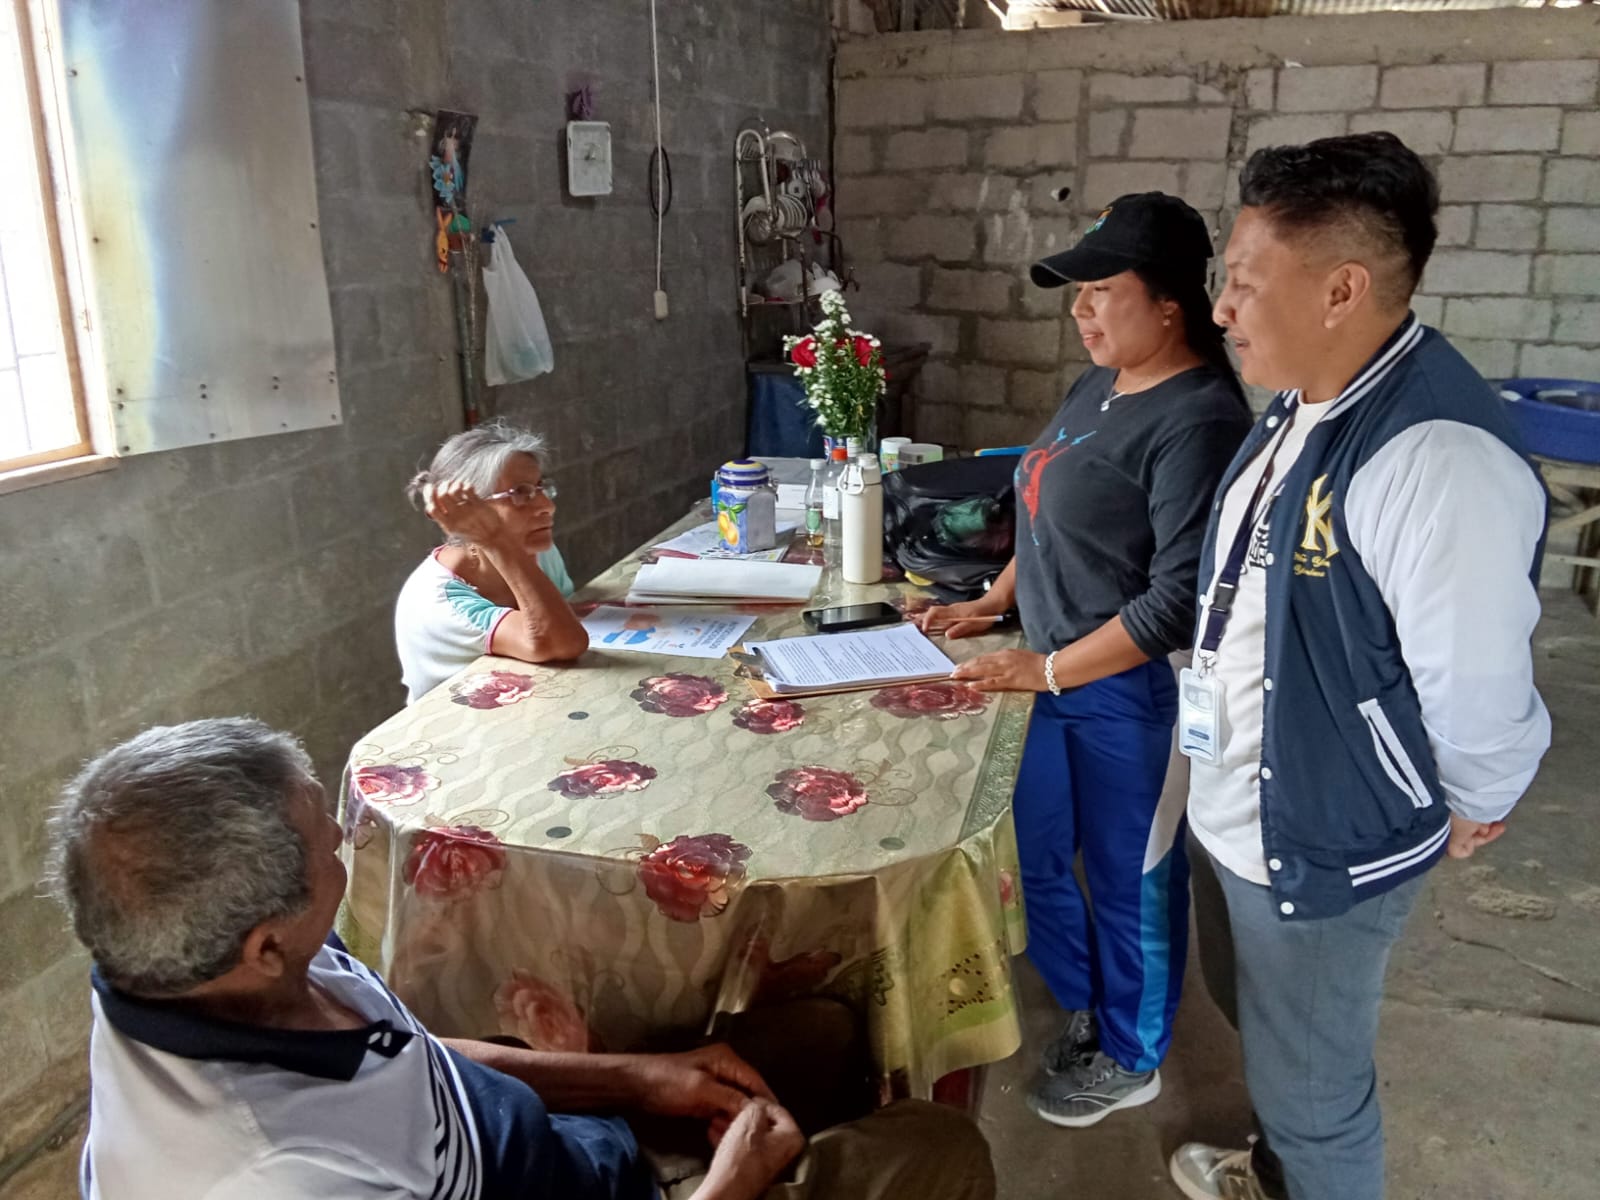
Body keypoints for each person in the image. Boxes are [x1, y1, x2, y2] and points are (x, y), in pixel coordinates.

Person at [47, 718, 997, 1200]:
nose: (345, 839)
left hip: (562, 1153)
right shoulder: (274, 1174)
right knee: (940, 1149)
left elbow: (410, 1061)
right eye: (328, 843)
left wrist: (641, 1077)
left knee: (825, 1031)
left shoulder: (196, 973)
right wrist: (734, 1184)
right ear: (264, 945)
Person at [1166, 133, 1550, 1200]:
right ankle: (1276, 1166)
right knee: (1266, 1024)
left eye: (1245, 283)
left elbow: (1478, 684)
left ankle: (1307, 1169)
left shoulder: (1435, 457)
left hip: (1325, 832)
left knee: (1316, 1090)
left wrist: (1471, 798)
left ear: (1342, 289)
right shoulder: (1307, 397)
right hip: (1243, 796)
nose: (1222, 309)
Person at [915, 192, 1252, 1128]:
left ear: (1171, 305)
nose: (1081, 309)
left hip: (1130, 691)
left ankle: (1134, 1054)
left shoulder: (1199, 419)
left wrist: (1050, 670)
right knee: (1033, 855)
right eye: (1078, 291)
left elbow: (1176, 600)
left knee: (1130, 872)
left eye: (1104, 289)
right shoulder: (1099, 386)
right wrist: (993, 602)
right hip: (1050, 669)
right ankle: (1088, 1005)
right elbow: (1044, 507)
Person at [395, 422, 589, 702]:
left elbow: (569, 616)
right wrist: (494, 538)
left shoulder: (537, 552)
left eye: (540, 487)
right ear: (462, 512)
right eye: (519, 493)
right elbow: (563, 642)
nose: (547, 506)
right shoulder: (438, 600)